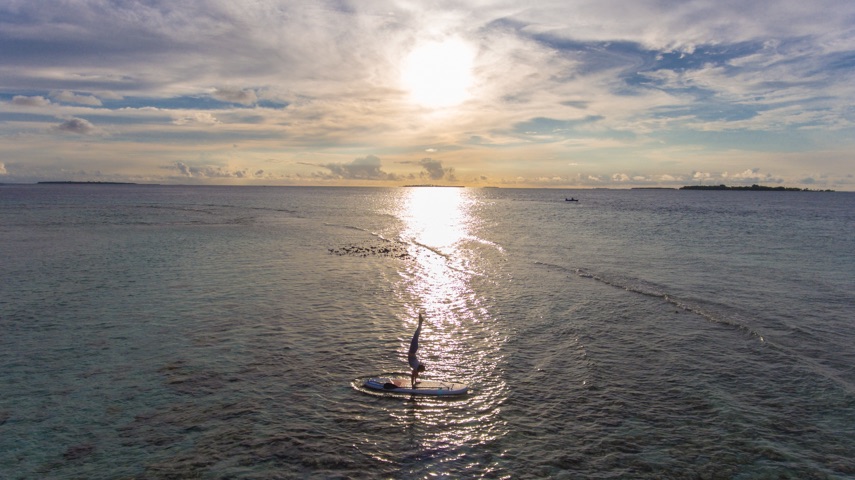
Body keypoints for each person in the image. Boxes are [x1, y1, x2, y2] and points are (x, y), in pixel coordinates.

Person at [408, 312, 426, 388]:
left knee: (417, 335)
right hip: (413, 350)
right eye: (422, 371)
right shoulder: (415, 367)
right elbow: (413, 376)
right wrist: (413, 385)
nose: (421, 372)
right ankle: (420, 322)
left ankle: (420, 322)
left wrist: (415, 382)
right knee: (416, 334)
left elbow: (414, 375)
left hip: (413, 350)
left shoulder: (416, 366)